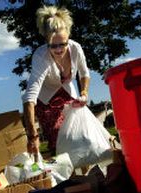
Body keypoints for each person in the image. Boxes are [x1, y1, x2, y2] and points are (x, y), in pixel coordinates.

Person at [21, 5, 90, 156]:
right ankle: (68, 177)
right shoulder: (40, 56)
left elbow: (84, 73)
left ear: (68, 38)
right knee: (59, 142)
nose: (59, 50)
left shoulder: (76, 48)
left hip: (67, 93)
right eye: (53, 45)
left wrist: (84, 92)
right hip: (46, 100)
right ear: (46, 40)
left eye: (63, 44)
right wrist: (32, 135)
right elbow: (29, 97)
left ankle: (85, 174)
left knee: (77, 135)